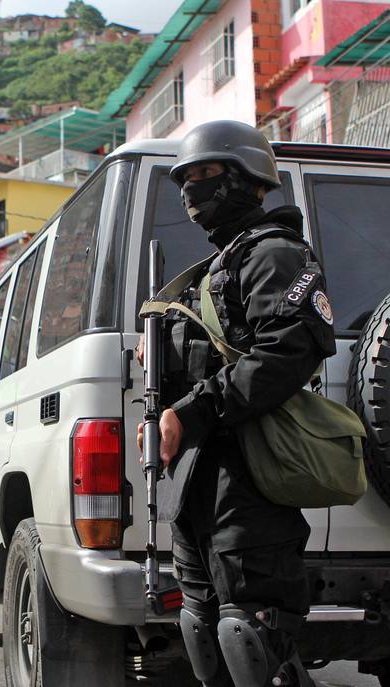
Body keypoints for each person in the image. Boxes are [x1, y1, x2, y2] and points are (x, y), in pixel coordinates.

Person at [137, 121, 336, 687]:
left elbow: (288, 350)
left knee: (253, 636)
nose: (191, 191)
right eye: (186, 179)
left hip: (252, 472)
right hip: (199, 478)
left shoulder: (275, 254)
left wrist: (191, 411)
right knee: (202, 630)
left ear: (249, 180)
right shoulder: (215, 270)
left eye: (206, 174)